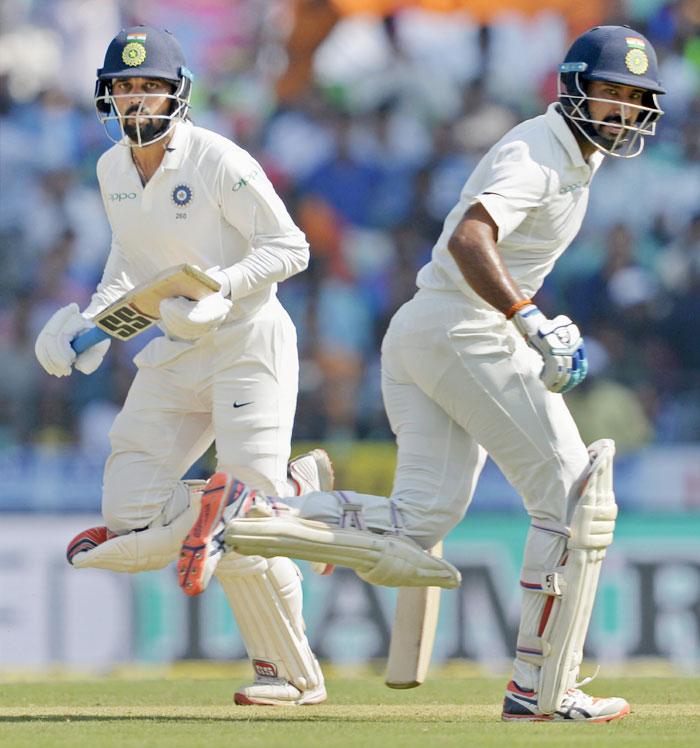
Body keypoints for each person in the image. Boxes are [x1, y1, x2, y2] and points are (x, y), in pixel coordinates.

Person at [177, 26, 666, 721]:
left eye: (635, 99)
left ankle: (256, 510)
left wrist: (531, 320)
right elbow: (472, 235)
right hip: (463, 329)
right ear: (575, 88)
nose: (622, 111)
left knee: (418, 522)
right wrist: (530, 320)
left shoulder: (578, 160)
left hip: (428, 330)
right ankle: (541, 688)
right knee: (571, 498)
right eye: (612, 93)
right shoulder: (539, 149)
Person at [34, 25, 332, 707]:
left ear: (177, 95)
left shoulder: (216, 159)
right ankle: (279, 490)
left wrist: (222, 287)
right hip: (174, 345)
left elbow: (290, 247)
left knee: (242, 535)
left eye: (150, 88)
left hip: (247, 340)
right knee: (131, 505)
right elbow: (129, 268)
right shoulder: (112, 170)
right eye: (124, 88)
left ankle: (288, 674)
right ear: (107, 96)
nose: (137, 101)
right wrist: (93, 327)